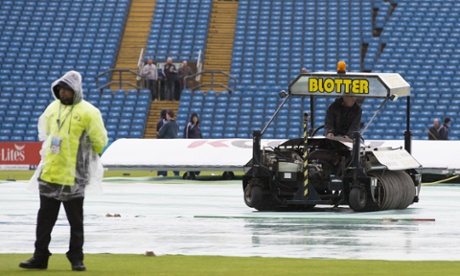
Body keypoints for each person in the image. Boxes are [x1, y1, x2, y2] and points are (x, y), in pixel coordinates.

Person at [19, 71, 108, 271]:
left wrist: (84, 160)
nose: (62, 92)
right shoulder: (52, 108)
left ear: (75, 90)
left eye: (66, 89)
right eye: (60, 88)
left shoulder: (89, 112)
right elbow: (46, 134)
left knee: (75, 222)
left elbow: (99, 141)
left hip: (74, 176)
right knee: (44, 221)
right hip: (50, 174)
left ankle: (76, 258)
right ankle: (40, 257)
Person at [158, 109, 180, 176]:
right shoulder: (176, 124)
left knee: (165, 159)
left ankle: (163, 173)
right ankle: (176, 173)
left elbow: (160, 133)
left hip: (166, 144)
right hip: (174, 144)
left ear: (168, 115)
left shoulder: (167, 124)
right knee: (174, 160)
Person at [156, 109, 167, 177]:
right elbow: (160, 132)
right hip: (162, 142)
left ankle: (161, 172)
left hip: (160, 142)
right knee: (163, 158)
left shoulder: (160, 121)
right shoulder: (162, 121)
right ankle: (162, 173)